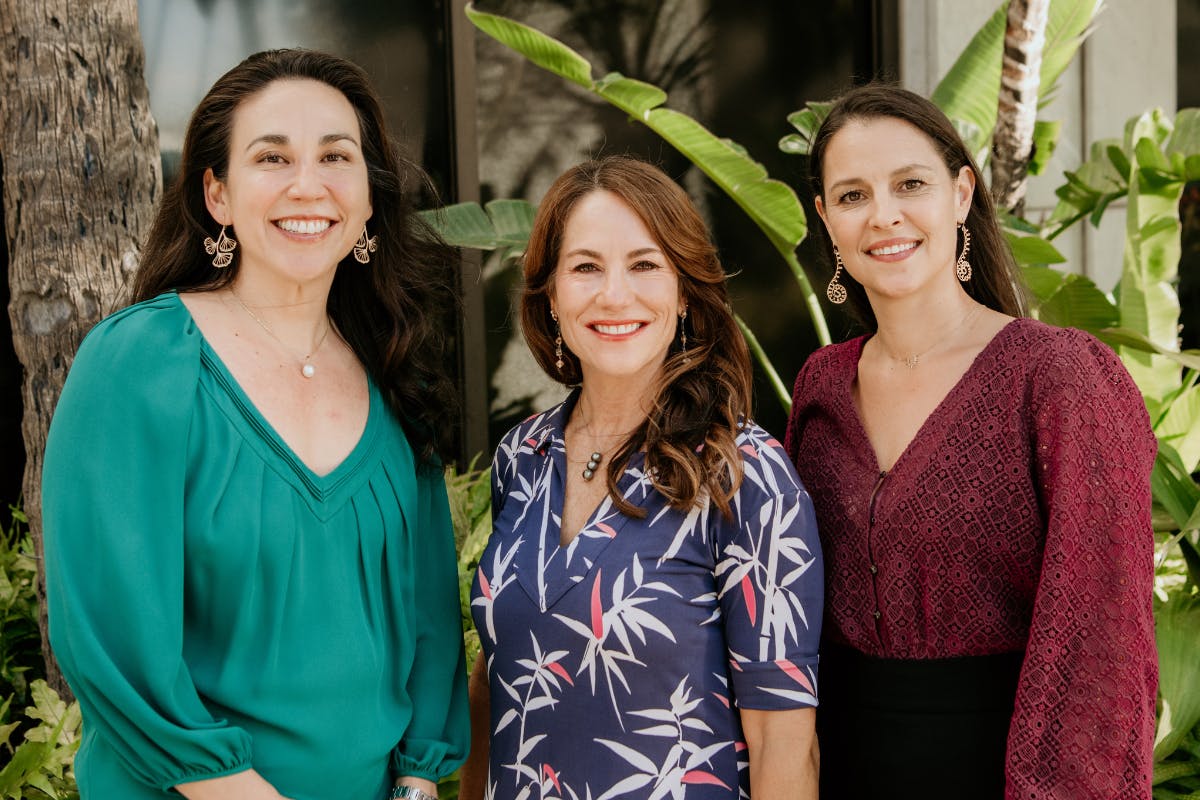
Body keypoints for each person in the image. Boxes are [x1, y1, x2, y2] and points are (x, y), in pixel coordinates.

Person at [41, 49, 468, 800]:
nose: (308, 184)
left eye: (337, 156)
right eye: (272, 156)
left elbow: (430, 622)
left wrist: (417, 784)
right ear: (218, 195)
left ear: (368, 199)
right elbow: (114, 643)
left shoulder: (397, 375)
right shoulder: (140, 364)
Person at [783, 83, 1157, 799]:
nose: (884, 215)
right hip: (840, 771)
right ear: (827, 220)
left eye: (910, 184)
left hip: (1005, 772)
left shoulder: (1060, 378)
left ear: (961, 193)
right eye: (853, 195)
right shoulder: (821, 386)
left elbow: (1103, 644)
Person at [459, 156, 823, 800]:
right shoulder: (524, 454)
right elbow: (497, 685)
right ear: (550, 294)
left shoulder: (745, 473)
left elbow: (784, 749)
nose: (614, 294)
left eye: (645, 264)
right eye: (586, 267)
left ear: (685, 293)